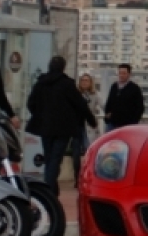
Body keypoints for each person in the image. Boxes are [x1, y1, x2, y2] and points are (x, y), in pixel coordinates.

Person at [27, 56, 97, 189]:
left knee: (49, 157)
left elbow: (31, 103)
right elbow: (80, 104)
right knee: (56, 158)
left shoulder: (41, 82)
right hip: (62, 128)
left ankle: (52, 187)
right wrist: (92, 120)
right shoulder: (67, 84)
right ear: (63, 67)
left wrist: (40, 115)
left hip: (45, 127)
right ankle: (49, 188)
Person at [72, 73, 102, 188]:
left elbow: (102, 105)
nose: (84, 82)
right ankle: (77, 178)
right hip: (77, 127)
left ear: (91, 82)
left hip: (90, 127)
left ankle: (88, 177)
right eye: (82, 80)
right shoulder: (75, 94)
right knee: (75, 155)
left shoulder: (95, 95)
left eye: (87, 80)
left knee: (89, 152)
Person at [103, 63, 144, 131]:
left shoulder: (135, 88)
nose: (121, 75)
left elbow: (140, 108)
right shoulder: (114, 86)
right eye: (120, 73)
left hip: (127, 125)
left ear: (129, 74)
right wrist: (107, 115)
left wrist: (133, 122)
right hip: (112, 123)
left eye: (124, 73)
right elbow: (109, 102)